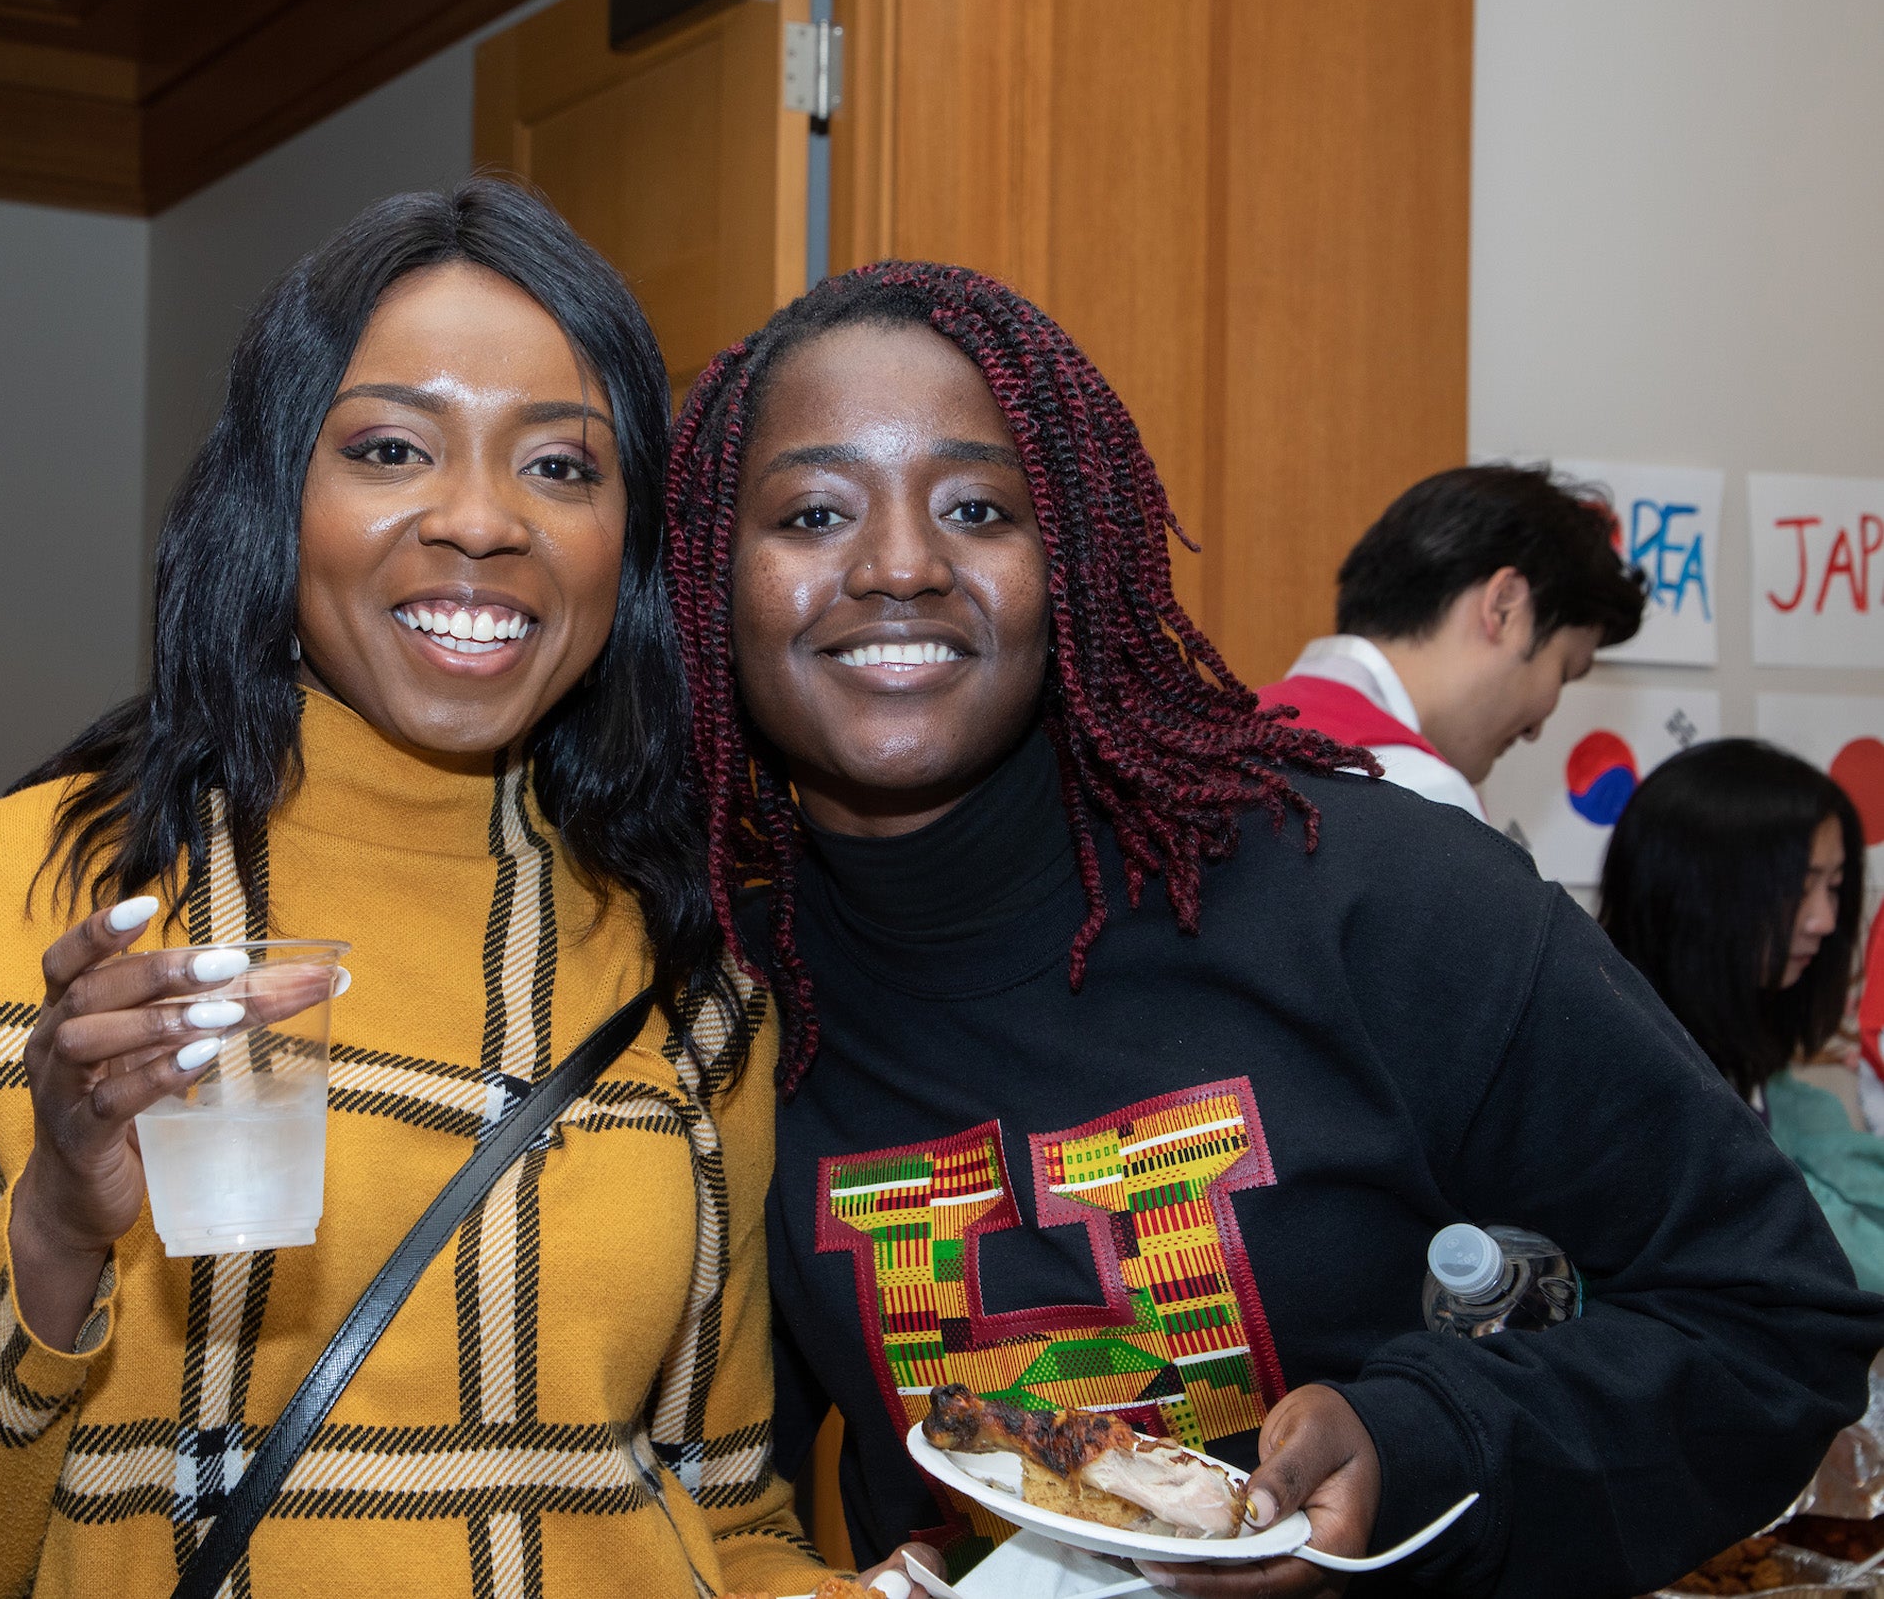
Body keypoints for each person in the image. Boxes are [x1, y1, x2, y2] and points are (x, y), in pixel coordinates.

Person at [659, 260, 1883, 1597]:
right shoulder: (723, 1011)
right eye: (812, 511)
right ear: (711, 586)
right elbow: (719, 1497)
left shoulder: (1377, 895)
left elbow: (1772, 1317)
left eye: (976, 507)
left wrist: (1417, 1442)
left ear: (1074, 558)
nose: (897, 564)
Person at [0, 182, 841, 1598]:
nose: (478, 521)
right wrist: (54, 1234)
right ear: (277, 494)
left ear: (628, 548)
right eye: (390, 448)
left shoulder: (688, 971)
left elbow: (723, 1524)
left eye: (563, 469)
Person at [1601, 739, 1884, 1287]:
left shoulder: (1762, 1075)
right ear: (1699, 892)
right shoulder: (1633, 1082)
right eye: (1802, 888)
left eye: (1836, 886)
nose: (1825, 920)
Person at [1258, 465, 1646, 820]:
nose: (1535, 731)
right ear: (1505, 606)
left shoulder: (1225, 741)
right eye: (1562, 671)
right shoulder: (1421, 797)